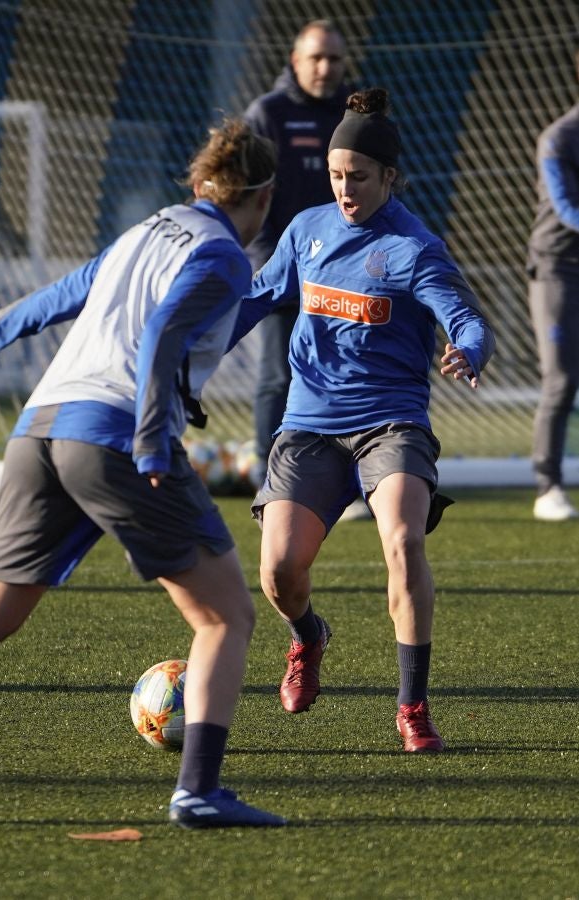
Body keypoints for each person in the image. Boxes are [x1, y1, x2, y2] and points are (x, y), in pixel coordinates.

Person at [0, 118, 286, 829]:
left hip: (38, 429)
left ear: (196, 185)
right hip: (115, 436)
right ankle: (197, 792)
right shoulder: (222, 256)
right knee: (225, 616)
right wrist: (153, 444)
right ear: (264, 196)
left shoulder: (143, 234)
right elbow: (159, 337)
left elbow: (60, 295)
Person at [228, 88, 496, 751]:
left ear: (390, 178)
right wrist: (189, 343)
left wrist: (467, 347)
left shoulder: (412, 247)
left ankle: (411, 707)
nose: (345, 189)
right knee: (278, 575)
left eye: (359, 178)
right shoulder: (305, 229)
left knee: (402, 542)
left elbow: (464, 317)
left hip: (391, 424)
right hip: (309, 426)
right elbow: (258, 297)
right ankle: (308, 637)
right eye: (336, 176)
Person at [243, 20, 367, 523]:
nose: (325, 68)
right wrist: (273, 265)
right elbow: (251, 198)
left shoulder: (356, 115)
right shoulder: (268, 113)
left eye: (334, 59)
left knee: (350, 372)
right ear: (295, 61)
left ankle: (352, 480)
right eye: (316, 58)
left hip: (347, 273)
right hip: (284, 268)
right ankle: (269, 476)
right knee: (278, 375)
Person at [527, 51, 579, 522]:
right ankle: (548, 485)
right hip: (558, 268)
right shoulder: (559, 138)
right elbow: (564, 207)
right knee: (561, 380)